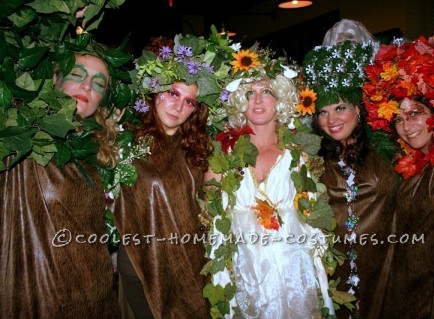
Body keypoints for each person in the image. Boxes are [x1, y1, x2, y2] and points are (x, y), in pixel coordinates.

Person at [203, 45, 349, 318]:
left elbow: (316, 223)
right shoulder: (222, 157)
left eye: (266, 91)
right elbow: (214, 229)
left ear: (279, 98)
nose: (257, 100)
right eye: (249, 93)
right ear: (238, 101)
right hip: (244, 280)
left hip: (295, 282)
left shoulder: (301, 155)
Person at [0, 34, 131, 317]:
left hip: (93, 296)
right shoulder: (21, 136)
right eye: (77, 74)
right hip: (36, 295)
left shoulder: (100, 155)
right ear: (55, 80)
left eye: (98, 84)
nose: (86, 86)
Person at [110, 30, 234, 318]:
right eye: (173, 93)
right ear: (154, 89)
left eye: (190, 101)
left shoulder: (201, 149)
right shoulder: (123, 139)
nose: (179, 106)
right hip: (139, 266)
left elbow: (213, 211)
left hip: (189, 264)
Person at [362, 23, 434, 318]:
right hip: (405, 290)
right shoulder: (404, 165)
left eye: (415, 112)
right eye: (399, 118)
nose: (407, 126)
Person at [302, 25, 398, 318]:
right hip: (334, 274)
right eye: (323, 111)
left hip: (385, 267)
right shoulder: (311, 156)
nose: (331, 120)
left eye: (340, 108)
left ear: (358, 108)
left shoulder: (390, 149)